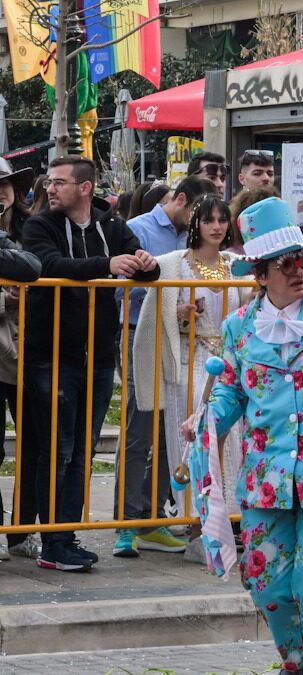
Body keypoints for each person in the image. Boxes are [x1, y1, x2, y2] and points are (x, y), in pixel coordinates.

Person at [182, 197, 303, 673]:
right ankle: (299, 664)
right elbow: (230, 389)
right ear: (261, 272)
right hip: (267, 481)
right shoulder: (239, 327)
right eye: (286, 263)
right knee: (266, 584)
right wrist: (206, 417)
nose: (300, 271)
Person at [23, 156, 161, 571]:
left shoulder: (113, 227)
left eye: (60, 182)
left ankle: (66, 536)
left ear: (85, 188)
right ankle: (52, 542)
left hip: (98, 356)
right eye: (49, 181)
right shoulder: (39, 225)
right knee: (58, 449)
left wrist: (147, 265)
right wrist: (108, 265)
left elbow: (141, 274)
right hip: (52, 355)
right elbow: (47, 265)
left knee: (82, 452)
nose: (51, 188)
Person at [132, 195, 251, 550]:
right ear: (195, 225)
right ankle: (200, 531)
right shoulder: (173, 264)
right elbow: (158, 315)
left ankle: (227, 524)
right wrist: (181, 312)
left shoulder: (237, 264)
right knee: (197, 442)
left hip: (229, 362)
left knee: (233, 446)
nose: (216, 227)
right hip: (187, 360)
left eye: (222, 220)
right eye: (208, 220)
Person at [114, 176, 218, 558]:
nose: (206, 225)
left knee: (171, 431)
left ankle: (154, 518)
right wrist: (166, 305)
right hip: (142, 338)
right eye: (199, 215)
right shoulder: (136, 229)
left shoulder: (194, 244)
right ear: (181, 200)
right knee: (139, 428)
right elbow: (123, 285)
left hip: (188, 346)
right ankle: (125, 524)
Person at [0, 160, 42, 562]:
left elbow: (37, 269)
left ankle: (22, 530)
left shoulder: (31, 229)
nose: (1, 190)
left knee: (32, 446)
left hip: (29, 352)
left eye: (7, 183)